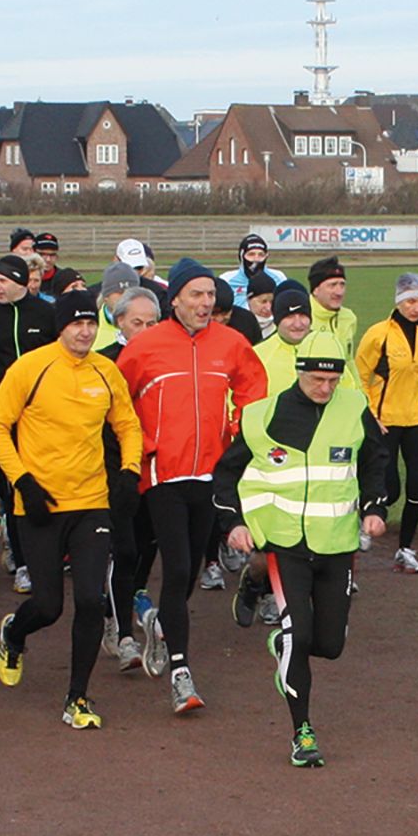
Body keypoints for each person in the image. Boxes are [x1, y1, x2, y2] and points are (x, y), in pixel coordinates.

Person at [212, 331, 389, 766]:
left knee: (329, 644)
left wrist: (374, 507)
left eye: (332, 380)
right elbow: (226, 475)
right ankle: (302, 733)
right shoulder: (262, 416)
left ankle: (284, 644)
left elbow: (375, 463)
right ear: (299, 373)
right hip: (285, 544)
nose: (325, 388)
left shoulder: (354, 407)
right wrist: (234, 524)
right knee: (299, 635)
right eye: (316, 380)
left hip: (337, 543)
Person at [116, 258, 268, 714]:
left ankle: (163, 626)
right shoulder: (145, 346)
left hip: (211, 475)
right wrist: (140, 449)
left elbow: (254, 390)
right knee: (178, 566)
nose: (205, 303)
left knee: (187, 574)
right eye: (196, 295)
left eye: (210, 295)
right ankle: (181, 674)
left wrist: (237, 438)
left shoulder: (231, 342)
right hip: (163, 474)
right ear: (175, 299)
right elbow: (118, 403)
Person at [0, 291, 143, 730]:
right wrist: (23, 481)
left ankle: (78, 697)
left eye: (91, 324)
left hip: (91, 502)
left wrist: (129, 471)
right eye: (76, 324)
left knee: (91, 600)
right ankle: (14, 633)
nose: (85, 332)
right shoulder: (31, 368)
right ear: (61, 327)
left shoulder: (105, 370)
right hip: (39, 505)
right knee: (48, 605)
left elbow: (128, 425)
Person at [0, 254, 59, 592]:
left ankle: (50, 552)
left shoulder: (46, 314)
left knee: (47, 480)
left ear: (20, 281)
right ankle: (23, 561)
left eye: (2, 281)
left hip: (46, 416)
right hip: (4, 417)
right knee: (13, 487)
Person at [355, 272, 418, 573]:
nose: (416, 308)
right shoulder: (379, 334)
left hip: (416, 419)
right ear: (399, 301)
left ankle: (406, 550)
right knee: (390, 488)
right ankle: (363, 520)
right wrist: (370, 417)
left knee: (416, 487)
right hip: (384, 421)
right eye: (411, 301)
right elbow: (359, 377)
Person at [96, 286, 162, 670]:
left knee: (146, 549)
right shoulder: (105, 361)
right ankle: (123, 635)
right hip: (115, 470)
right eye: (137, 322)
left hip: (157, 468)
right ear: (119, 320)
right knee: (123, 550)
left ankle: (115, 608)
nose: (145, 330)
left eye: (152, 323)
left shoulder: (166, 359)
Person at [257, 281, 314, 393]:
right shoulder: (258, 356)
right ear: (277, 320)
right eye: (290, 316)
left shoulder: (327, 348)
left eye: (302, 315)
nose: (298, 324)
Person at [306, 255, 357, 356]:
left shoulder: (349, 318)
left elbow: (349, 360)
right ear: (315, 290)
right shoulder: (300, 318)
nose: (339, 292)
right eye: (332, 285)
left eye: (342, 285)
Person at [221, 233, 286, 293]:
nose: (256, 259)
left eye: (261, 255)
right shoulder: (227, 280)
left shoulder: (279, 278)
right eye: (251, 254)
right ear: (242, 256)